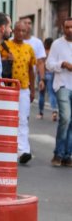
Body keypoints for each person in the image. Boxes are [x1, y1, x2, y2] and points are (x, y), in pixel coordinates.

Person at [0, 21, 36, 164]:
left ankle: (23, 151)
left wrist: (32, 90)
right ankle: (6, 149)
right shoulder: (4, 47)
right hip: (7, 88)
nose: (21, 33)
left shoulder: (29, 48)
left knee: (22, 120)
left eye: (24, 31)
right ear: (13, 30)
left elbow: (31, 71)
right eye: (18, 30)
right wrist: (5, 59)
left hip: (23, 89)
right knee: (7, 120)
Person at [46, 17, 72, 167]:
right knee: (66, 118)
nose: (69, 30)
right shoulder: (57, 44)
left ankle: (67, 155)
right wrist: (62, 64)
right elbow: (49, 65)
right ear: (62, 28)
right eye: (67, 27)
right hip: (62, 85)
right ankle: (58, 153)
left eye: (71, 27)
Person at [21, 17, 46, 116]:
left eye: (30, 23)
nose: (28, 25)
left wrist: (42, 79)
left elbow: (40, 62)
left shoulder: (37, 42)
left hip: (29, 82)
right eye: (25, 23)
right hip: (13, 82)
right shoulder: (10, 42)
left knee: (25, 111)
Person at [38, 37, 58, 121]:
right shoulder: (53, 53)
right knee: (51, 93)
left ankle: (40, 112)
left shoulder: (42, 53)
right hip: (51, 74)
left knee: (41, 94)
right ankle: (54, 111)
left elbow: (39, 63)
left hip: (42, 74)